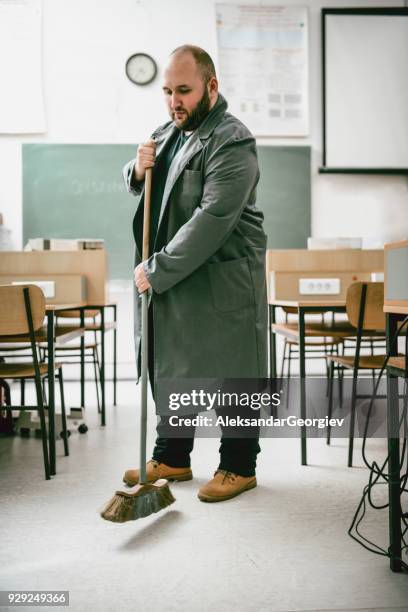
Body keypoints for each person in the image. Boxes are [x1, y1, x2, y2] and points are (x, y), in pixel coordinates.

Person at [122, 45, 267, 502]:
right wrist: (136, 169)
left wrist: (157, 268)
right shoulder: (168, 132)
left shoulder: (232, 140)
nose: (173, 101)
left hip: (223, 277)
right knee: (172, 365)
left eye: (183, 90)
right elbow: (145, 179)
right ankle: (172, 456)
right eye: (167, 91)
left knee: (233, 375)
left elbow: (212, 218)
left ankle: (239, 467)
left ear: (211, 86)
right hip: (183, 277)